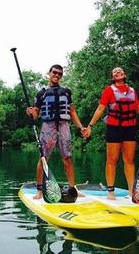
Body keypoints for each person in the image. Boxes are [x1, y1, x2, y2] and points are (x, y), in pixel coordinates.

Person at [84, 67, 139, 200]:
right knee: (112, 160)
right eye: (114, 72)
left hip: (129, 128)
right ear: (113, 77)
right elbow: (100, 108)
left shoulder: (132, 91)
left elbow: (137, 110)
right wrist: (90, 126)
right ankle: (110, 192)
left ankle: (132, 192)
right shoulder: (109, 90)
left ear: (124, 74)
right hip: (114, 128)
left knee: (130, 160)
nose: (117, 72)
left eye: (119, 71)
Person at [26, 64, 86, 200]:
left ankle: (72, 188)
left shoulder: (66, 91)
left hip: (64, 126)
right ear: (49, 73)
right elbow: (35, 115)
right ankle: (39, 190)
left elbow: (72, 112)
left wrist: (81, 127)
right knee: (43, 159)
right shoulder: (42, 93)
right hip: (48, 127)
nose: (57, 75)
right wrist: (30, 113)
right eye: (55, 72)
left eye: (60, 74)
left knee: (68, 158)